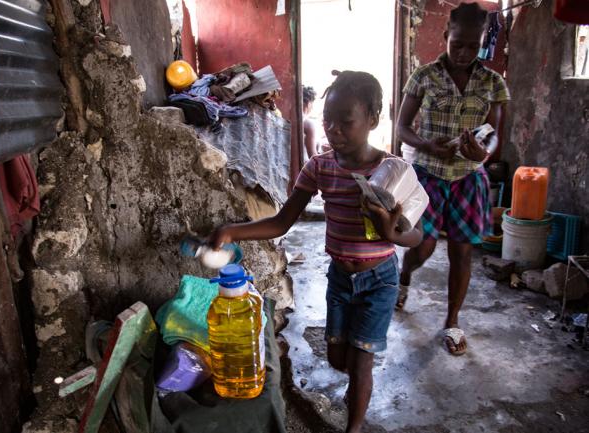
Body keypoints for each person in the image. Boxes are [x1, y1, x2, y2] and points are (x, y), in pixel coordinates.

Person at [211, 71, 422, 433]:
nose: (334, 130)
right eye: (328, 121)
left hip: (379, 280)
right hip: (340, 279)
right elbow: (282, 222)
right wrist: (232, 231)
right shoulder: (320, 167)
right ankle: (357, 380)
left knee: (362, 362)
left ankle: (353, 426)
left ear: (373, 119)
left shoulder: (393, 173)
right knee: (339, 357)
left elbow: (417, 236)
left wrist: (392, 233)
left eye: (345, 121)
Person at [396, 2, 510, 356]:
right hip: (428, 175)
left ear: (483, 44)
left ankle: (452, 321)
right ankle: (404, 275)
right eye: (457, 44)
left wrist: (483, 153)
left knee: (462, 252)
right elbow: (402, 127)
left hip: (468, 178)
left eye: (473, 46)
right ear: (446, 35)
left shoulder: (493, 83)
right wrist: (426, 145)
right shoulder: (423, 76)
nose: (464, 53)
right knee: (423, 246)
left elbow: (494, 134)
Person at [302, 85, 317, 162]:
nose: (312, 108)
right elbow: (313, 157)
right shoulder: (308, 124)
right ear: (308, 103)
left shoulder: (286, 119)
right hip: (304, 167)